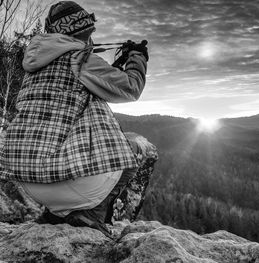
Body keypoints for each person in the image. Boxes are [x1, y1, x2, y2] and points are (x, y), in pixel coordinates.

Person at [0, 1, 157, 237]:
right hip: (66, 184)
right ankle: (91, 215)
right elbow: (131, 88)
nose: (91, 38)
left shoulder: (32, 66)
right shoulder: (81, 59)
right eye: (89, 32)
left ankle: (54, 214)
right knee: (134, 150)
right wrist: (138, 58)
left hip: (27, 181)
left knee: (55, 141)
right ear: (80, 32)